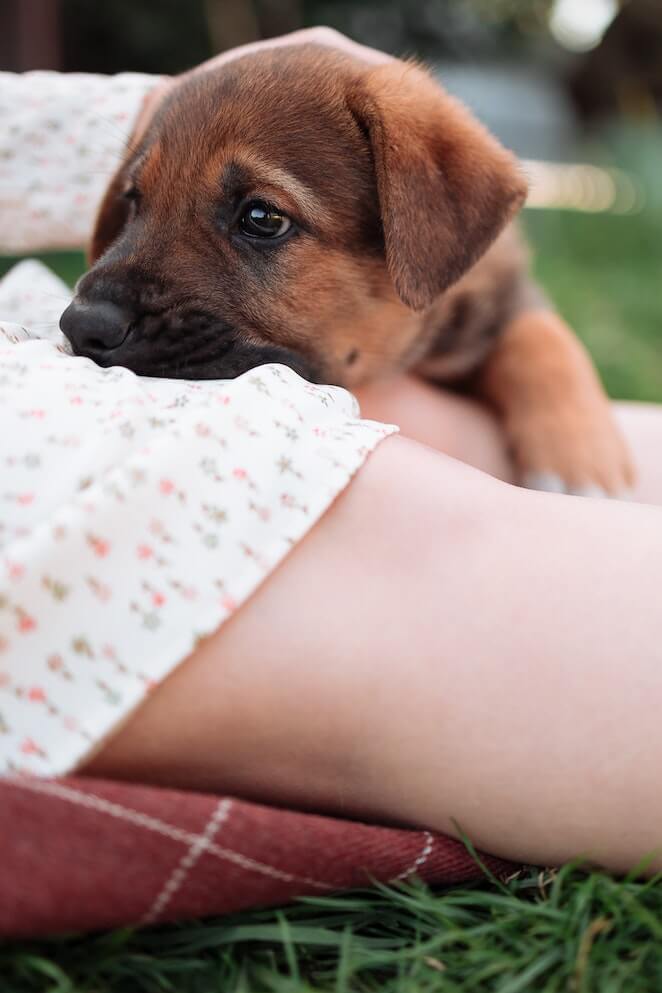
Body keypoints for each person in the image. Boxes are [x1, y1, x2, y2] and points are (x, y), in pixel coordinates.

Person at [1, 28, 662, 877]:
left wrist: (539, 361)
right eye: (136, 204)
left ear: (431, 228)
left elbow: (501, 299)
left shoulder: (442, 234)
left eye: (258, 220)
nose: (101, 303)